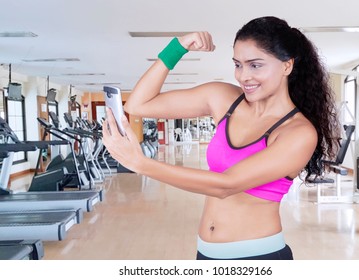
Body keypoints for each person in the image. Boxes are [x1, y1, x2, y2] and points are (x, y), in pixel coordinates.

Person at [102, 16, 340, 260]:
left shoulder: (298, 132)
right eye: (238, 64)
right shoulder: (224, 98)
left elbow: (226, 185)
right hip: (206, 253)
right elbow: (138, 104)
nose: (243, 76)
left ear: (287, 66)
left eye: (255, 65)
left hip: (258, 256)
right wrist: (178, 47)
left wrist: (141, 164)